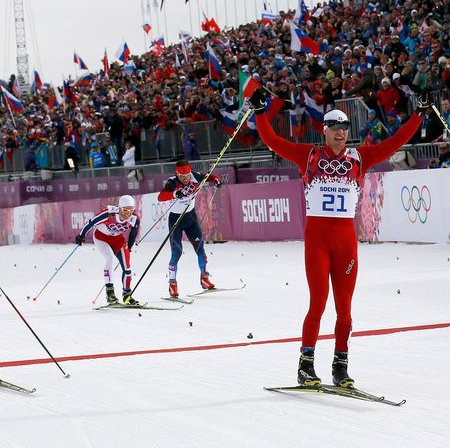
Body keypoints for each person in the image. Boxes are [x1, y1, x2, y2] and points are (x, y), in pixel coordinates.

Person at [249, 88, 425, 389]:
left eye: (345, 128)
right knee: (318, 303)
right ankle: (306, 365)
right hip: (317, 242)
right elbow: (272, 141)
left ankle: (340, 365)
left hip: (346, 244)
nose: (341, 133)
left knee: (345, 309)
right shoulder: (308, 155)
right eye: (335, 128)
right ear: (325, 130)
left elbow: (396, 142)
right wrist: (260, 112)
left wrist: (419, 115)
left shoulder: (361, 157)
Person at [157, 159, 222, 298]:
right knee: (177, 252)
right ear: (177, 174)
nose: (185, 178)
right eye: (182, 176)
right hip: (176, 220)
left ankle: (204, 278)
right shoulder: (172, 182)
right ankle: (172, 284)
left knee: (200, 249)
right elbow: (160, 197)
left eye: (187, 175)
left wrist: (216, 180)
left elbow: (210, 176)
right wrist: (175, 194)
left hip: (190, 218)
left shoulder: (194, 176)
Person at [75, 195, 140, 305]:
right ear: (119, 208)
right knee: (109, 259)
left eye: (131, 210)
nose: (128, 213)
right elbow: (91, 223)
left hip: (118, 240)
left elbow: (134, 231)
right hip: (101, 238)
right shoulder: (108, 214)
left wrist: (129, 245)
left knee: (127, 268)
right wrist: (81, 235)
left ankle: (127, 296)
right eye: (125, 210)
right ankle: (110, 293)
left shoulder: (134, 218)